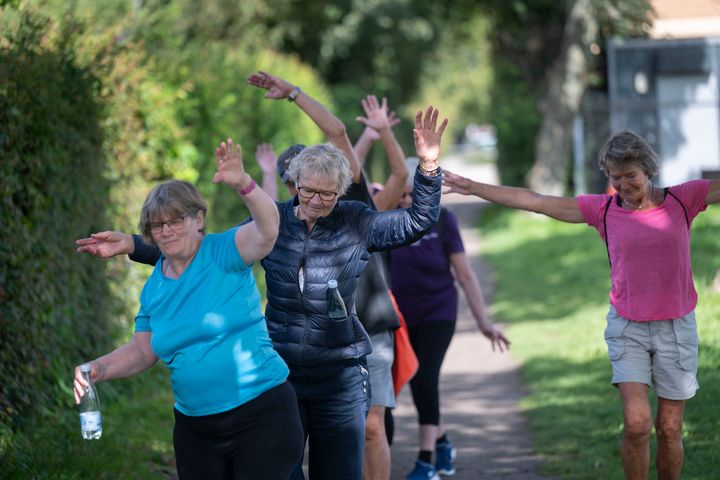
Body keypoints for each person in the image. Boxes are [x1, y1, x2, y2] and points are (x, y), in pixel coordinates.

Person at [79, 99, 447, 479]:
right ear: (294, 185)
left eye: (327, 195)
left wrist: (429, 166)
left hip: (339, 374)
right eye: (308, 192)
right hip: (282, 372)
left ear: (342, 192)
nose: (316, 202)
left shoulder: (356, 221)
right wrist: (134, 244)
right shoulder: (277, 223)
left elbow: (417, 221)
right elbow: (202, 253)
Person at [442, 129, 720, 480]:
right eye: (615, 178)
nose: (624, 185)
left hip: (676, 327)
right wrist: (472, 186)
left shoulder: (683, 200)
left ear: (648, 169)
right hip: (628, 327)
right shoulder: (602, 210)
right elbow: (535, 200)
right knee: (636, 424)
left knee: (669, 428)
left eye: (631, 176)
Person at [73, 139, 304, 480]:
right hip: (195, 429)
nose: (165, 231)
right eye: (156, 225)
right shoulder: (154, 287)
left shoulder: (225, 251)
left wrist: (245, 183)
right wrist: (96, 370)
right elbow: (142, 349)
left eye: (175, 221)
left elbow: (270, 228)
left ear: (199, 219)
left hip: (262, 416)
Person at [252, 85, 410, 480]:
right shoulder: (290, 214)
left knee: (371, 430)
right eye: (297, 187)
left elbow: (338, 134)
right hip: (303, 347)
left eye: (316, 188)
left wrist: (294, 94)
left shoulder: (351, 202)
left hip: (366, 328)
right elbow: (257, 226)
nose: (307, 197)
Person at [390, 159, 510, 480]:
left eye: (410, 194)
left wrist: (484, 322)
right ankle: (442, 440)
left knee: (424, 377)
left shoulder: (443, 221)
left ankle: (426, 460)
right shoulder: (388, 221)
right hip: (400, 316)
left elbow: (466, 275)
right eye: (400, 195)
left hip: (438, 312)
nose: (404, 201)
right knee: (415, 381)